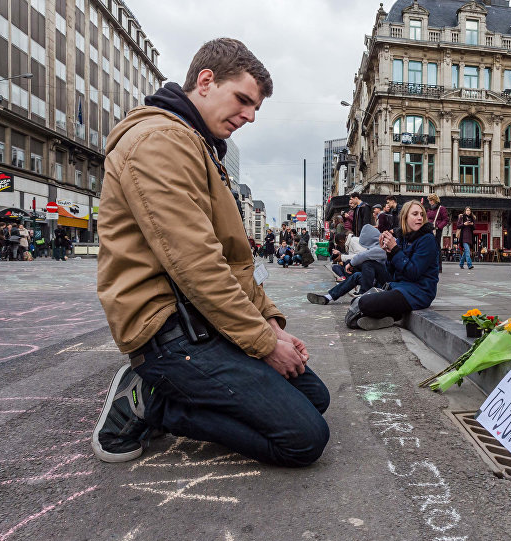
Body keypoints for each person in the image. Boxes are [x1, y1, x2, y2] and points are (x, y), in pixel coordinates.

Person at [92, 38, 329, 467]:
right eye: (242, 100)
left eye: (255, 107)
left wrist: (273, 326)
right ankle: (150, 399)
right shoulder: (159, 141)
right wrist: (263, 344)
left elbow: (233, 261)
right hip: (170, 332)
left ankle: (177, 391)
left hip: (203, 320)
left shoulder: (199, 146)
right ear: (205, 81)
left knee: (314, 396)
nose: (250, 116)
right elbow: (197, 266)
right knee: (304, 439)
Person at [345, 201, 439, 330]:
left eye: (422, 215)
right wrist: (388, 252)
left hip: (419, 292)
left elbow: (414, 273)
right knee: (358, 301)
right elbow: (392, 274)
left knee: (363, 303)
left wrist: (394, 249)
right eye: (415, 214)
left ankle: (388, 316)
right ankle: (386, 318)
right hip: (400, 287)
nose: (419, 218)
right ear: (405, 218)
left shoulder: (427, 239)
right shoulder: (402, 238)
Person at [307, 224, 389, 305]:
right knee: (356, 275)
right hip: (374, 278)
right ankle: (328, 297)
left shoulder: (383, 247)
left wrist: (350, 263)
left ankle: (363, 294)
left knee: (367, 263)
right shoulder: (374, 246)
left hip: (387, 281)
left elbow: (364, 255)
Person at [426, 193, 449, 272]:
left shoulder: (441, 208)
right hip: (428, 229)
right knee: (428, 247)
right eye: (429, 200)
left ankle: (439, 267)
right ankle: (429, 265)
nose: (430, 202)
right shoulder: (429, 209)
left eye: (431, 200)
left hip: (437, 230)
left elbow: (446, 220)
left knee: (436, 247)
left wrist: (438, 227)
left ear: (435, 200)